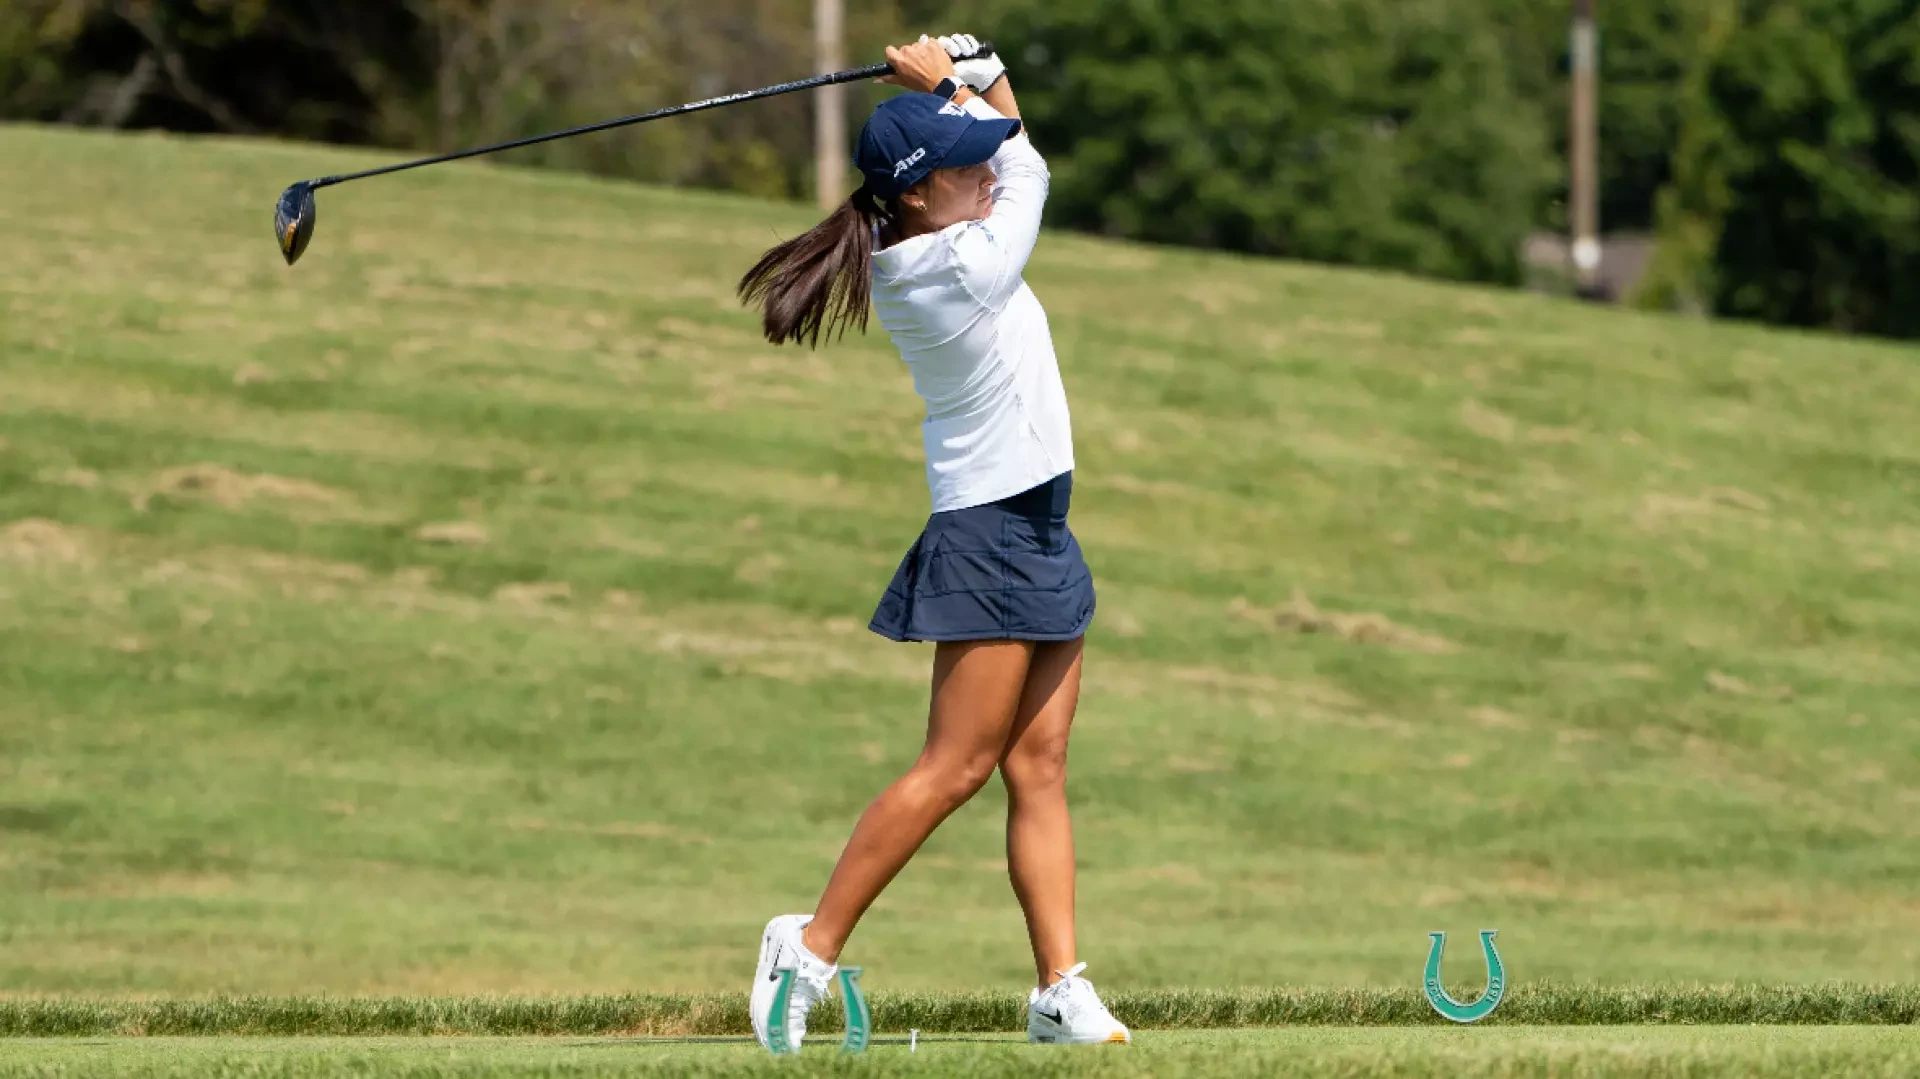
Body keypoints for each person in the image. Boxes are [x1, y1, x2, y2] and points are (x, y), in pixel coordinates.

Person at [735, 33, 1130, 1051]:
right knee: (955, 768)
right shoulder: (954, 265)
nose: (988, 177)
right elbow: (1032, 166)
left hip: (1038, 522)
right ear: (919, 195)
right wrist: (951, 80)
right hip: (992, 534)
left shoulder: (947, 230)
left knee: (1039, 765)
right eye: (966, 169)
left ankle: (1058, 987)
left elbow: (1008, 151)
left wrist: (977, 65)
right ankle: (808, 947)